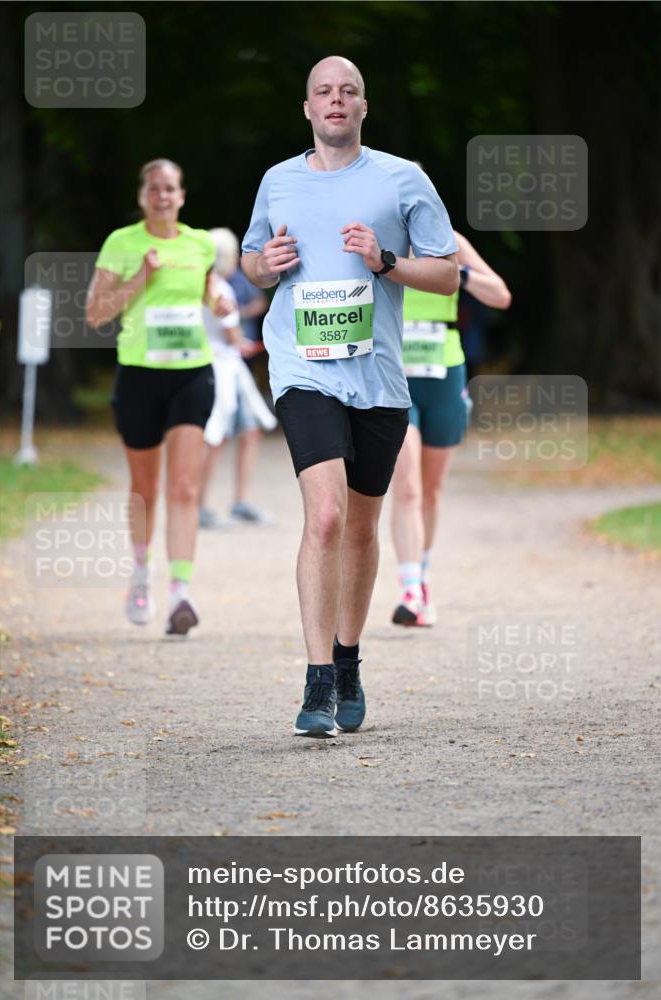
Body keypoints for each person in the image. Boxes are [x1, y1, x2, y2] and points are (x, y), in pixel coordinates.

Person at [241, 55, 459, 738]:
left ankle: (348, 657)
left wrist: (386, 262)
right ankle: (316, 684)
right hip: (302, 371)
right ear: (307, 109)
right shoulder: (277, 181)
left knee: (363, 526)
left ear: (363, 106)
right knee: (326, 517)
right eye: (323, 92)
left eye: (348, 91)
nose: (335, 101)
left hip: (379, 379)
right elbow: (250, 260)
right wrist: (263, 268)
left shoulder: (403, 179)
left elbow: (449, 276)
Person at [86, 158, 225, 635]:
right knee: (145, 490)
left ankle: (181, 594)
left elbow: (209, 292)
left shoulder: (200, 243)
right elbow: (95, 314)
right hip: (140, 377)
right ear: (142, 197)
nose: (162, 196)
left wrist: (219, 301)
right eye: (154, 189)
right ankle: (142, 573)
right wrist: (139, 278)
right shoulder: (121, 243)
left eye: (170, 188)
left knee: (184, 486)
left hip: (192, 374)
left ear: (181, 196)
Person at [391, 231, 511, 626]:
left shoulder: (448, 241)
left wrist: (457, 274)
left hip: (444, 374)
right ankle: (409, 589)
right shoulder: (372, 241)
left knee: (431, 487)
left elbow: (500, 295)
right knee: (406, 485)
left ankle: (422, 579)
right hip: (395, 378)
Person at [198, 228, 277, 528]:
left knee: (249, 429)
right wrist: (241, 342)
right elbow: (231, 335)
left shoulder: (206, 286)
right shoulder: (219, 289)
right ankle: (199, 506)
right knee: (217, 436)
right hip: (221, 371)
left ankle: (239, 501)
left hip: (229, 368)